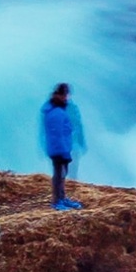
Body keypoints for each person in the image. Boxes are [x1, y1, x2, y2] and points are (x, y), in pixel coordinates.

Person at [39, 83, 85, 211]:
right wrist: (64, 152)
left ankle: (62, 198)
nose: (67, 98)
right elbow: (58, 135)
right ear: (59, 95)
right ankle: (57, 201)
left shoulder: (56, 109)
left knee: (61, 174)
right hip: (59, 149)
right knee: (59, 174)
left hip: (60, 148)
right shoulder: (56, 112)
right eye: (65, 95)